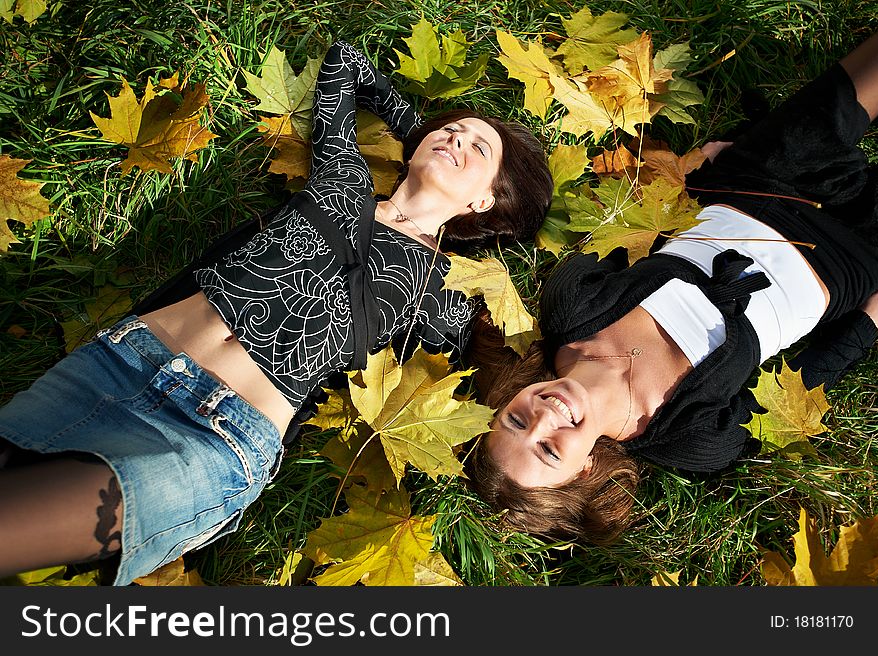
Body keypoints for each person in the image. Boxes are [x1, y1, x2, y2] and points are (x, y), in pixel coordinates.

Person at [0, 41, 553, 585]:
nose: (456, 137)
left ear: (485, 201)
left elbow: (461, 407)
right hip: (117, 365)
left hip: (213, 439)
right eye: (452, 128)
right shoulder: (344, 182)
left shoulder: (447, 296)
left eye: (478, 149)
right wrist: (425, 132)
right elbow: (346, 60)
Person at [464, 31, 878, 546]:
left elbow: (631, 233)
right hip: (845, 262)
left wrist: (688, 180)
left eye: (515, 421)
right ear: (586, 470)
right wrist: (868, 323)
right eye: (549, 450)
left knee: (847, 92)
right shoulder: (687, 438)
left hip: (754, 184)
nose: (543, 417)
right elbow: (796, 390)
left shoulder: (572, 309)